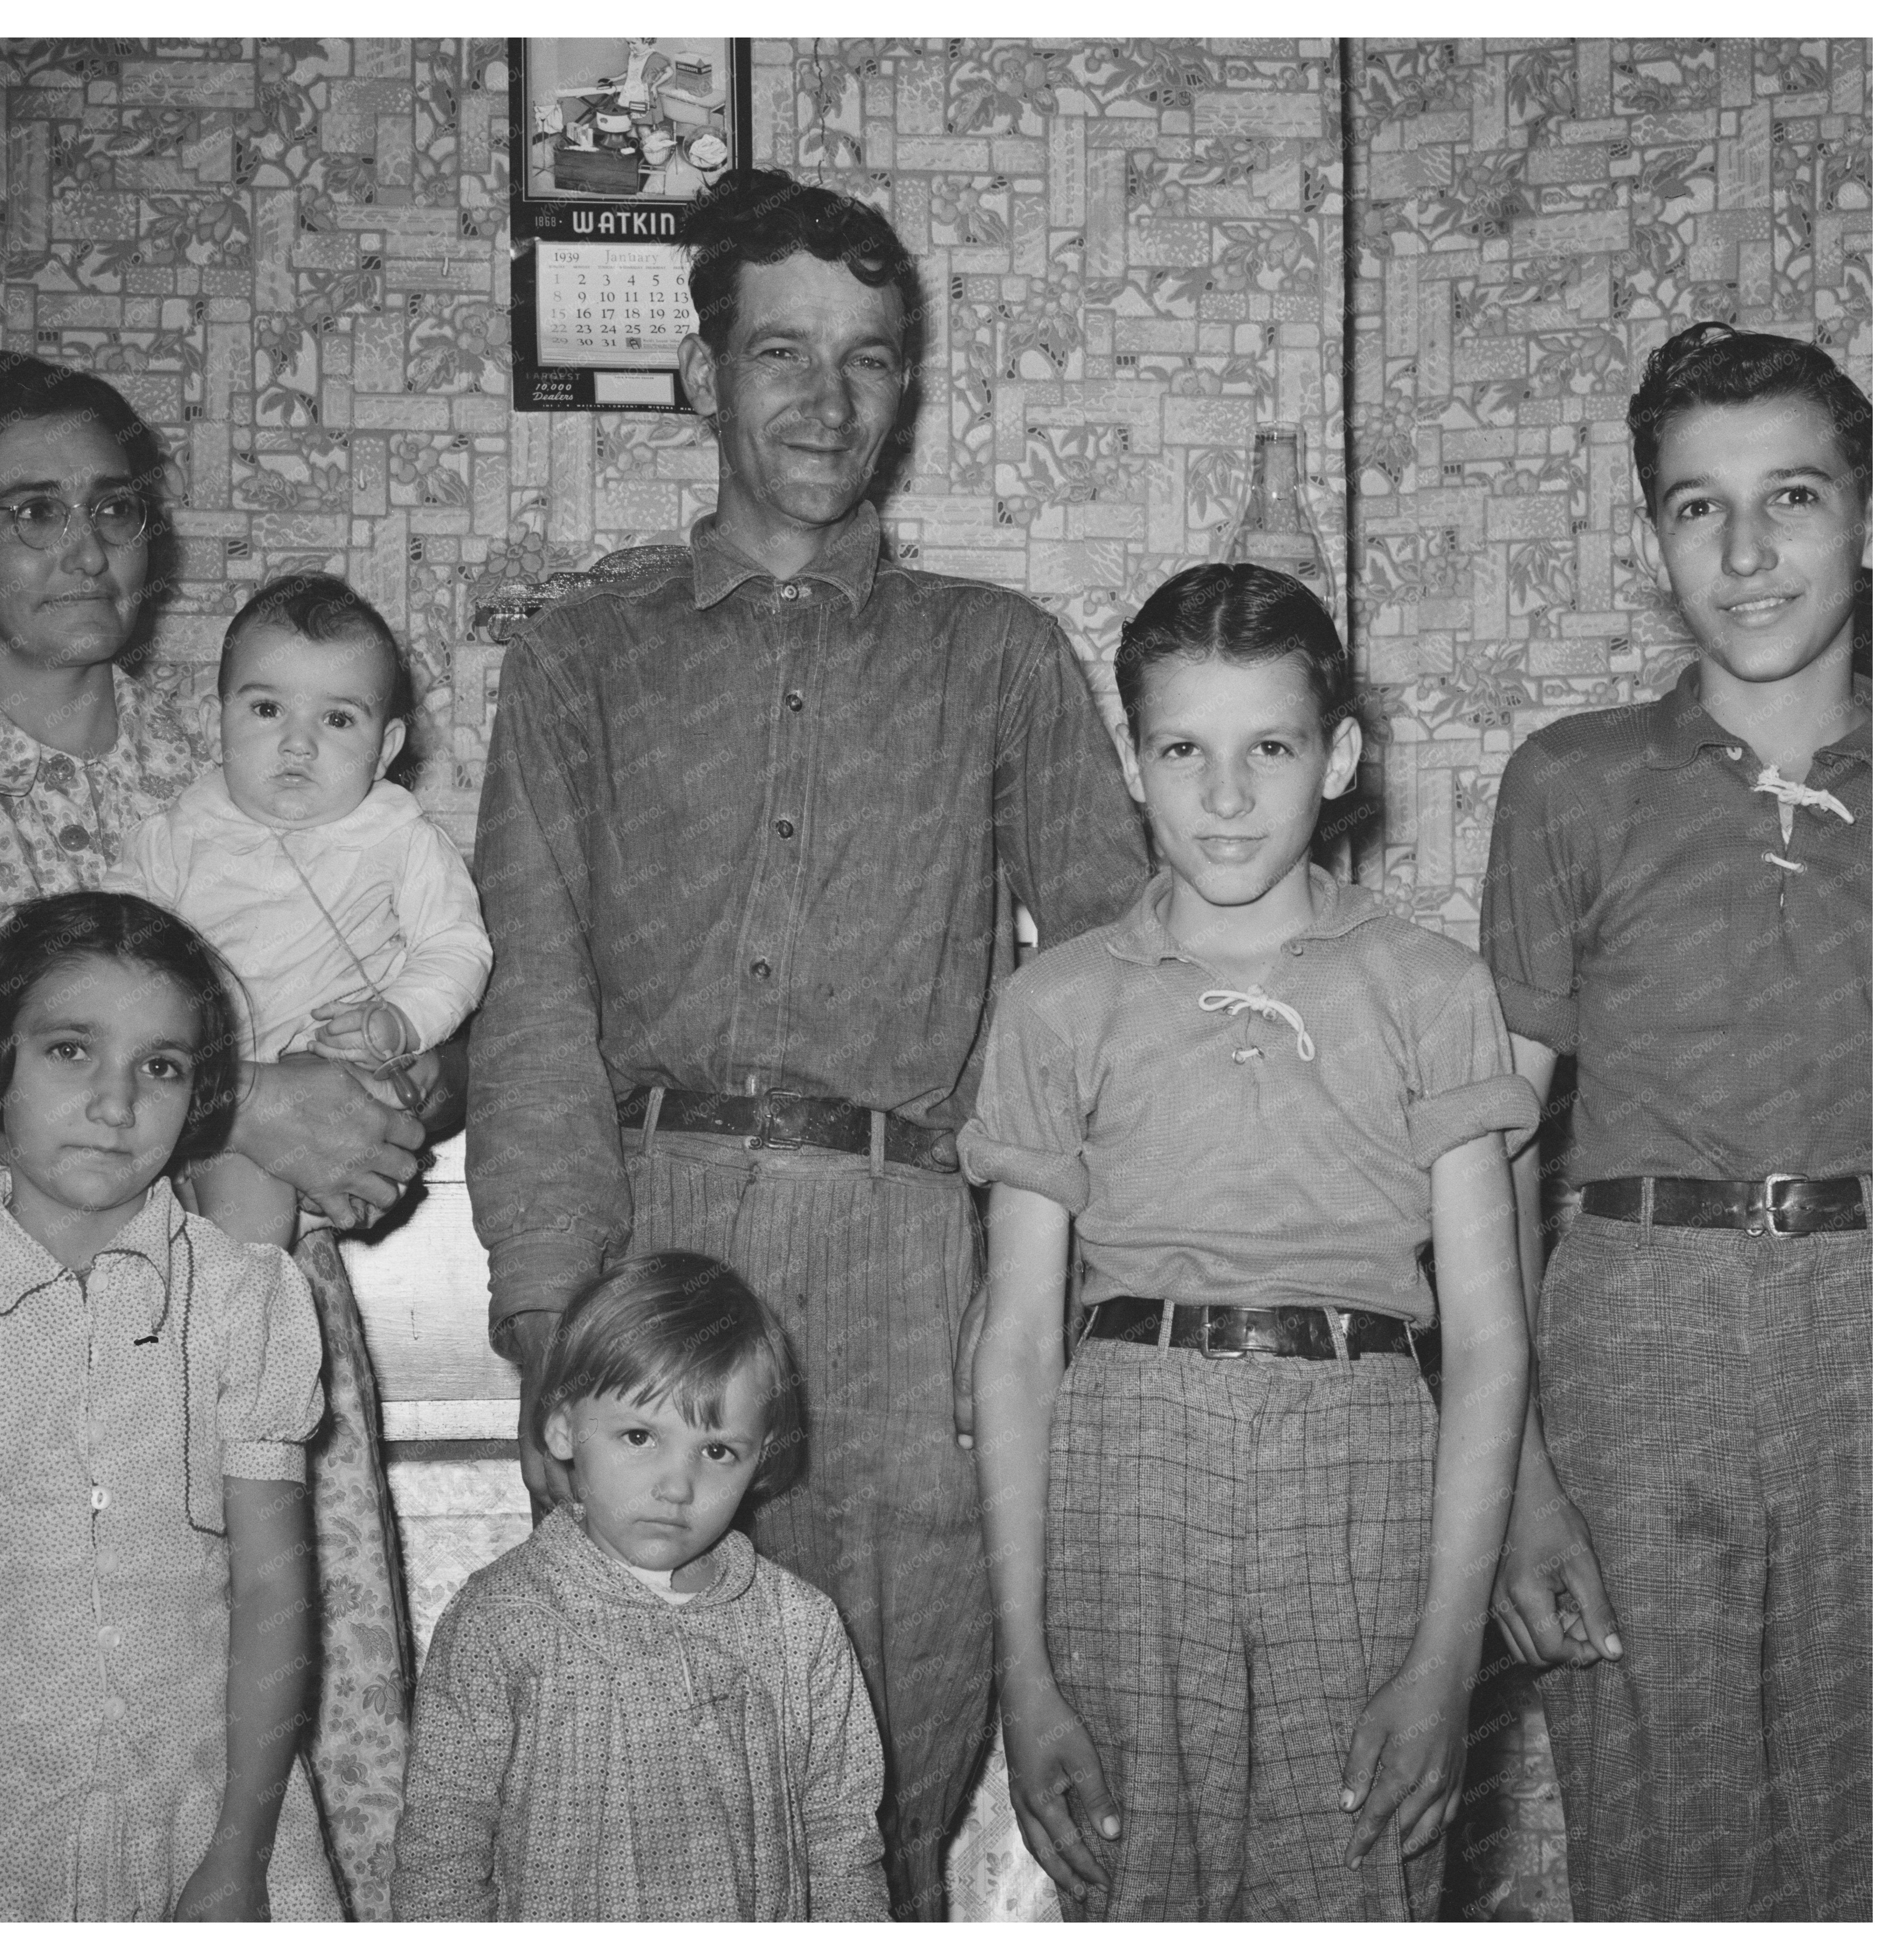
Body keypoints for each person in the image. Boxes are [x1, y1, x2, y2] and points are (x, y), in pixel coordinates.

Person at [467, 167, 1150, 1918]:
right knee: (626, 1806)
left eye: (866, 360)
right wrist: (557, 1319)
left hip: (908, 1268)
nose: (823, 400)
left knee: (874, 1819)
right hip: (649, 1244)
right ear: (700, 374)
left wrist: (1049, 1302)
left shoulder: (998, 658)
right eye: (779, 351)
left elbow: (1107, 994)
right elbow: (530, 987)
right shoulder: (577, 652)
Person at [0, 351, 426, 1914]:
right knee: (33, 1751)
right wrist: (250, 1095)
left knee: (284, 1742)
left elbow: (388, 1004)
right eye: (33, 510)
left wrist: (381, 1076)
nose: (86, 544)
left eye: (116, 508)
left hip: (240, 1321)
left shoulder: (224, 747)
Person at [965, 563, 1536, 1920]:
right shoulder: (1054, 1005)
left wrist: (1445, 1661)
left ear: (1336, 757)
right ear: (1135, 765)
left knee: (1352, 1878)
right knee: (1135, 1883)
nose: (1224, 798)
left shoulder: (1431, 988)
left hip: (1361, 1459)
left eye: (1266, 749)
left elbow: (1491, 1341)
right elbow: (1013, 1349)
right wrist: (1023, 1670)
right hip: (1123, 1461)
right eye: (1182, 751)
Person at [1480, 323, 1871, 1920]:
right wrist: (1517, 1481)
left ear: (1871, 514)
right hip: (1639, 1341)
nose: (1750, 549)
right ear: (1655, 540)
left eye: (1793, 496)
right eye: (1699, 508)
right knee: (1668, 1855)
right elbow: (1492, 1152)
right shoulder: (1574, 782)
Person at [0, 892, 340, 1921]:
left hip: (199, 1826)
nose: (115, 1102)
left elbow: (275, 1604)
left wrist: (238, 1856)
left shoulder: (241, 1304)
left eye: (161, 1065)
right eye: (68, 1050)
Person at [392, 1252, 887, 1921]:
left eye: (717, 1451)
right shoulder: (501, 1619)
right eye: (638, 1436)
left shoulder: (799, 1627)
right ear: (563, 1428)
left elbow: (841, 1844)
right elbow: (442, 1851)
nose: (677, 1487)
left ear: (761, 1456)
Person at [108, 572, 489, 1249]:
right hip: (212, 1096)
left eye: (338, 719)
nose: (298, 743)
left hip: (345, 1080)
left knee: (246, 1210)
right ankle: (223, 1324)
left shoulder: (399, 837)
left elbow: (457, 946)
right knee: (195, 1222)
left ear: (388, 749)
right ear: (211, 720)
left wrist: (403, 1018)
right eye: (266, 710)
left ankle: (242, 1316)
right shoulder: (171, 837)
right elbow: (111, 971)